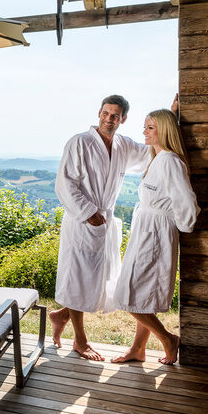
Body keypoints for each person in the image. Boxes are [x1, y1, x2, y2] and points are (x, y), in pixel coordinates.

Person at [50, 95, 152, 360]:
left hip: (104, 220)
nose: (109, 119)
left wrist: (172, 118)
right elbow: (65, 183)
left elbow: (151, 152)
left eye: (115, 115)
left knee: (97, 278)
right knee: (78, 279)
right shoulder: (80, 142)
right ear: (99, 113)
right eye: (106, 113)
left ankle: (60, 316)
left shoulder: (123, 146)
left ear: (123, 119)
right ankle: (80, 341)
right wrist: (88, 213)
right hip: (82, 220)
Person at [111, 108, 199, 365]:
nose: (144, 132)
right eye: (145, 127)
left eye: (150, 127)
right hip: (146, 229)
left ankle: (168, 339)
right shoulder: (157, 157)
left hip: (156, 234)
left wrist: (182, 227)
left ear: (164, 130)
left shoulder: (170, 161)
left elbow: (187, 203)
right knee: (141, 295)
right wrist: (171, 111)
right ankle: (138, 349)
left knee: (130, 296)